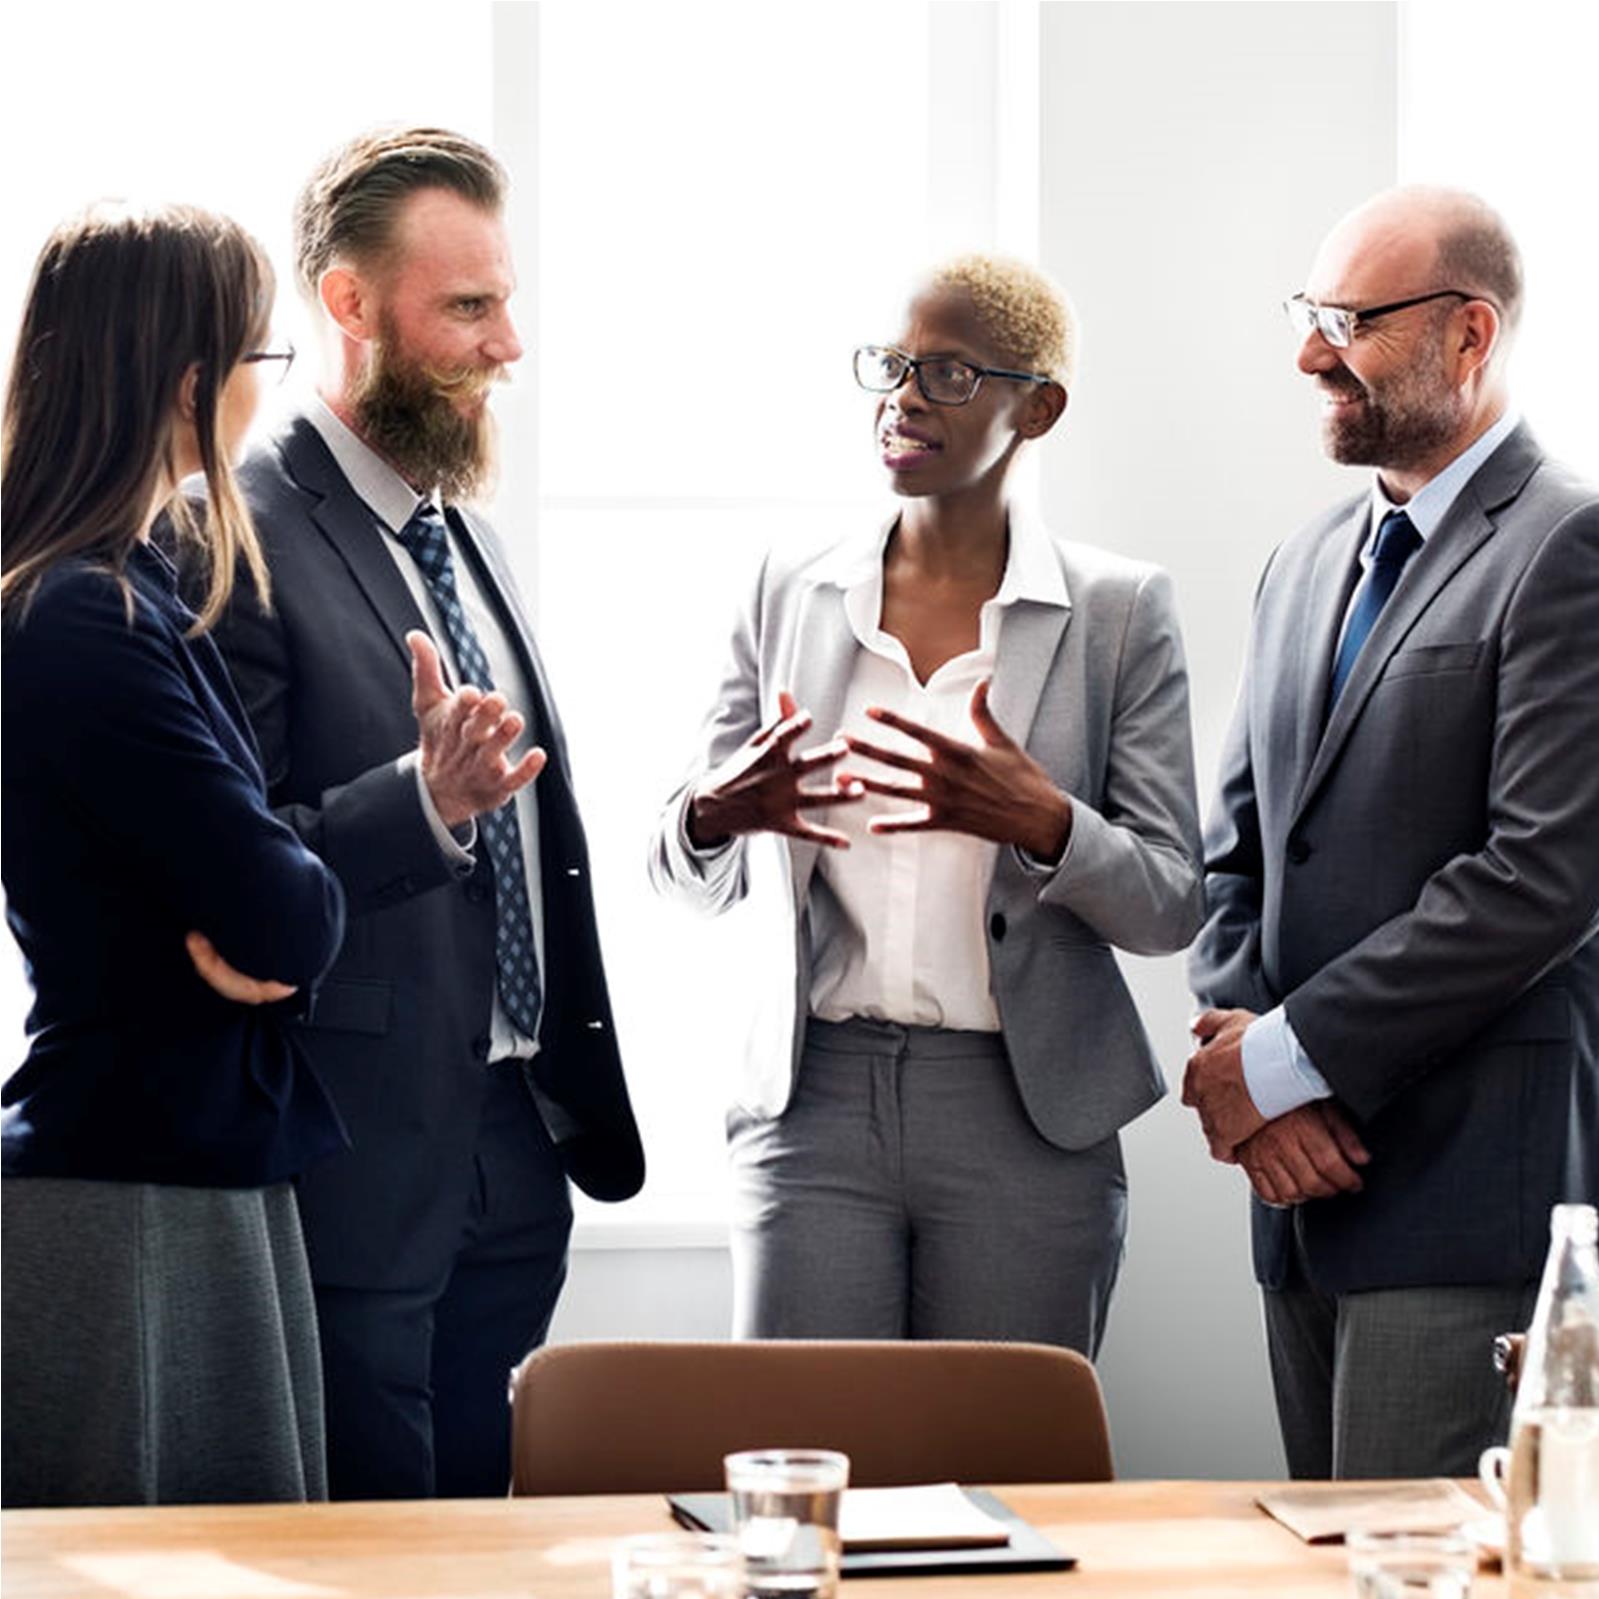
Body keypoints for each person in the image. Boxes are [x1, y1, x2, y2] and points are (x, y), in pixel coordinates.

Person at [201, 127, 644, 1500]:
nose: (506, 343)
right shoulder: (235, 534)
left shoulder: (463, 534)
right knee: (374, 1549)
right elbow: (231, 870)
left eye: (503, 300)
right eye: (466, 306)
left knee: (485, 1539)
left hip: (519, 1138)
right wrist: (421, 798)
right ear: (345, 304)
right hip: (357, 1151)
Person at [650, 255, 1202, 1350]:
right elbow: (683, 865)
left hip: (1025, 1110)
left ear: (1036, 407)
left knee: (1004, 1481)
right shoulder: (789, 585)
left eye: (946, 372)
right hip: (813, 1103)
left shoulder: (1118, 611)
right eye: (894, 367)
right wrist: (714, 813)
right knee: (801, 1479)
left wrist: (1042, 820)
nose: (903, 396)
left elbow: (1171, 904)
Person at [1185, 186, 1599, 1479]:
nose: (1308, 352)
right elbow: (1235, 858)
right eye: (1307, 314)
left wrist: (1281, 1064)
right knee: (1315, 1558)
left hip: (1461, 1198)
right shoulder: (1302, 558)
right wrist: (1256, 1088)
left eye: (1348, 320)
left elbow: (1539, 876)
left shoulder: (1566, 545)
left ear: (1467, 336)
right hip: (1296, 1196)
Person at [1, 202, 347, 1506]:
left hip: (183, 1163)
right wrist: (275, 907)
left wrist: (271, 904)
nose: (273, 390)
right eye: (266, 359)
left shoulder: (128, 584)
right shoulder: (79, 615)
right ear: (194, 382)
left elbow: (268, 904)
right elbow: (284, 910)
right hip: (123, 1191)